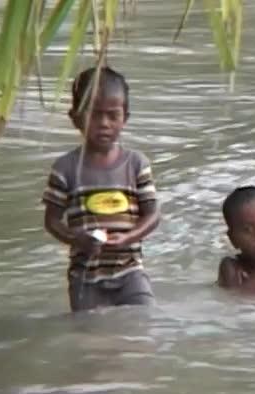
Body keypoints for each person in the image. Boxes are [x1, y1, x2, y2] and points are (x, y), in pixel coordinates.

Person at [42, 66, 160, 312]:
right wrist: (76, 239)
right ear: (75, 118)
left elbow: (153, 215)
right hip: (86, 277)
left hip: (130, 272)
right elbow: (52, 221)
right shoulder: (64, 168)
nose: (104, 123)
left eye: (112, 115)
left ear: (125, 118)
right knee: (89, 339)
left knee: (145, 323)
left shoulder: (137, 164)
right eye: (94, 115)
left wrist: (128, 237)